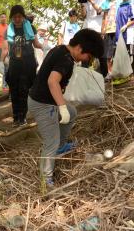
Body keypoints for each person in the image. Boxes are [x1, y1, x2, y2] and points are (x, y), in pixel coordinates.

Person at [28, 29, 104, 187]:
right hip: (43, 104)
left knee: (72, 112)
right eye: (88, 57)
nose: (86, 61)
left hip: (46, 100)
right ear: (80, 48)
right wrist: (61, 106)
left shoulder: (60, 49)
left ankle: (61, 146)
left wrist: (64, 106)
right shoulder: (66, 60)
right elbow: (52, 81)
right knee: (51, 142)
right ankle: (45, 180)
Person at [1, 5, 43, 126]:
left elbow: (36, 44)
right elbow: (5, 49)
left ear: (23, 16)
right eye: (15, 17)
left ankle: (23, 117)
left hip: (28, 63)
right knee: (14, 91)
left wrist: (47, 47)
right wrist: (3, 61)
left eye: (20, 16)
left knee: (24, 90)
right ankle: (15, 117)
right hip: (14, 64)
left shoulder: (31, 28)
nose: (17, 19)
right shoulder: (8, 31)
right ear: (12, 18)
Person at [81, 0, 107, 72]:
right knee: (85, 56)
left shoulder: (106, 0)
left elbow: (101, 12)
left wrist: (92, 2)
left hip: (99, 31)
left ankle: (104, 76)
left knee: (102, 56)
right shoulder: (88, 0)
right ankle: (83, 77)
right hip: (87, 30)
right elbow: (84, 15)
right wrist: (82, 3)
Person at [101, 0, 122, 79]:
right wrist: (103, 30)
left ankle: (118, 72)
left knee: (118, 52)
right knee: (108, 53)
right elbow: (104, 17)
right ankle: (110, 73)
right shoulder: (106, 1)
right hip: (108, 30)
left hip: (119, 29)